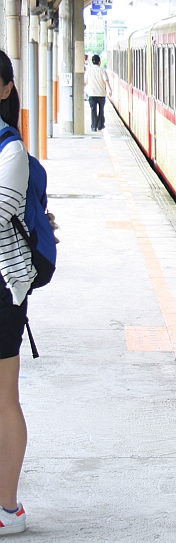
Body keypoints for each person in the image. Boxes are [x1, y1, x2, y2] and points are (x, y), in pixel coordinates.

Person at [0, 50, 35, 535]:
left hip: (1, 287)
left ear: (5, 88)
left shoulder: (11, 150)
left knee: (4, 397)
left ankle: (7, 509)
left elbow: (3, 206)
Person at [84, 55, 110, 132]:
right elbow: (106, 80)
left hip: (92, 94)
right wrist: (110, 89)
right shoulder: (102, 70)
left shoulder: (88, 71)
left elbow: (85, 81)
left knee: (93, 110)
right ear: (99, 62)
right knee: (101, 110)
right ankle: (100, 125)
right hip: (101, 94)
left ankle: (93, 127)